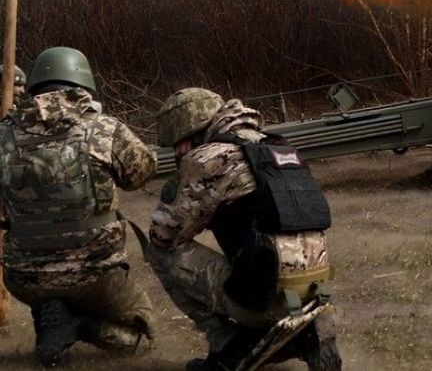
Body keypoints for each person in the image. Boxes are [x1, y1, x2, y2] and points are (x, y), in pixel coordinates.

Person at [148, 88, 341, 371]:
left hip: (263, 297)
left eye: (177, 144)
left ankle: (226, 339)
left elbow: (164, 234)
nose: (176, 151)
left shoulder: (207, 158)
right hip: (315, 289)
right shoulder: (277, 146)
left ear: (189, 131)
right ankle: (308, 326)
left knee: (159, 252)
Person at [0, 47, 157, 367]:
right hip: (96, 270)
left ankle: (53, 315)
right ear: (83, 85)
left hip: (24, 278)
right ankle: (78, 324)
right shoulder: (104, 128)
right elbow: (140, 174)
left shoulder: (4, 134)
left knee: (48, 286)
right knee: (142, 339)